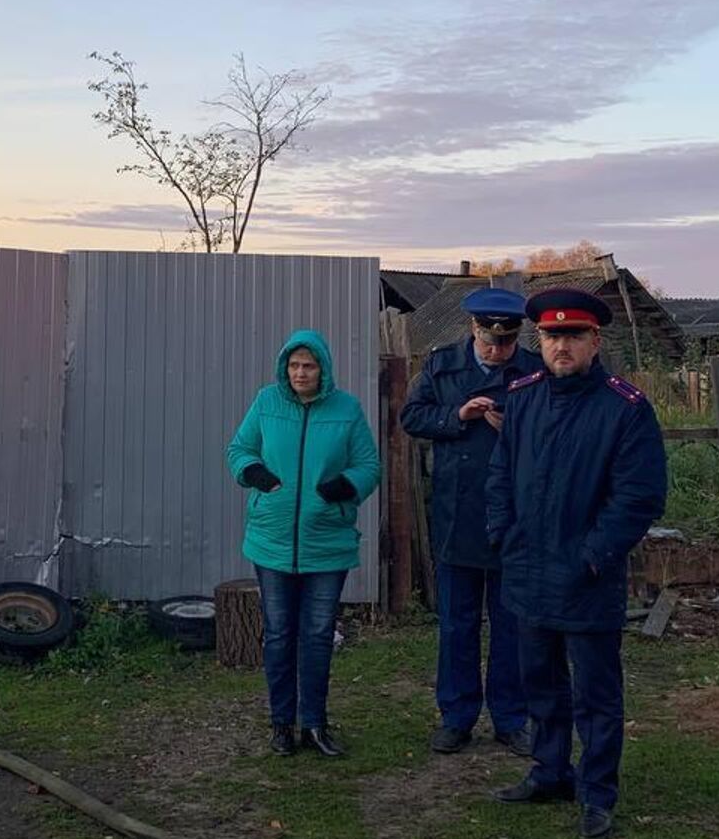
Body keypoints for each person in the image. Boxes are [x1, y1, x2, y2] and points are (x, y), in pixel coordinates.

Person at [485, 287, 666, 839]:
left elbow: (638, 497)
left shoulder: (624, 409)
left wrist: (592, 558)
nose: (560, 345)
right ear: (539, 341)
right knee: (539, 685)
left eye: (572, 336)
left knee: (596, 695)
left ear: (595, 341)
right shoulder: (523, 398)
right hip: (528, 575)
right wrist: (504, 537)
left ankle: (597, 791)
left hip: (587, 580)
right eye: (551, 336)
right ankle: (549, 771)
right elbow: (501, 476)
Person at [400, 288, 544, 759]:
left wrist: (517, 431)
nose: (497, 351)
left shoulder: (533, 371)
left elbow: (556, 428)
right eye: (489, 341)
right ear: (473, 331)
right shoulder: (441, 368)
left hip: (512, 518)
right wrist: (456, 416)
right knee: (457, 626)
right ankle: (457, 717)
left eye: (505, 344)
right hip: (457, 515)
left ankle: (511, 718)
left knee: (510, 626)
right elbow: (411, 417)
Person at [226, 329, 381, 758]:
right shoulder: (266, 402)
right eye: (294, 365)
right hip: (272, 540)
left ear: (323, 369)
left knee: (316, 634)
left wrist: (342, 487)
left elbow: (369, 465)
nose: (300, 373)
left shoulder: (347, 410)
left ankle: (314, 723)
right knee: (278, 634)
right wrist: (255, 474)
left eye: (308, 366)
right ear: (284, 367)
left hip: (326, 543)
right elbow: (239, 449)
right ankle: (281, 725)